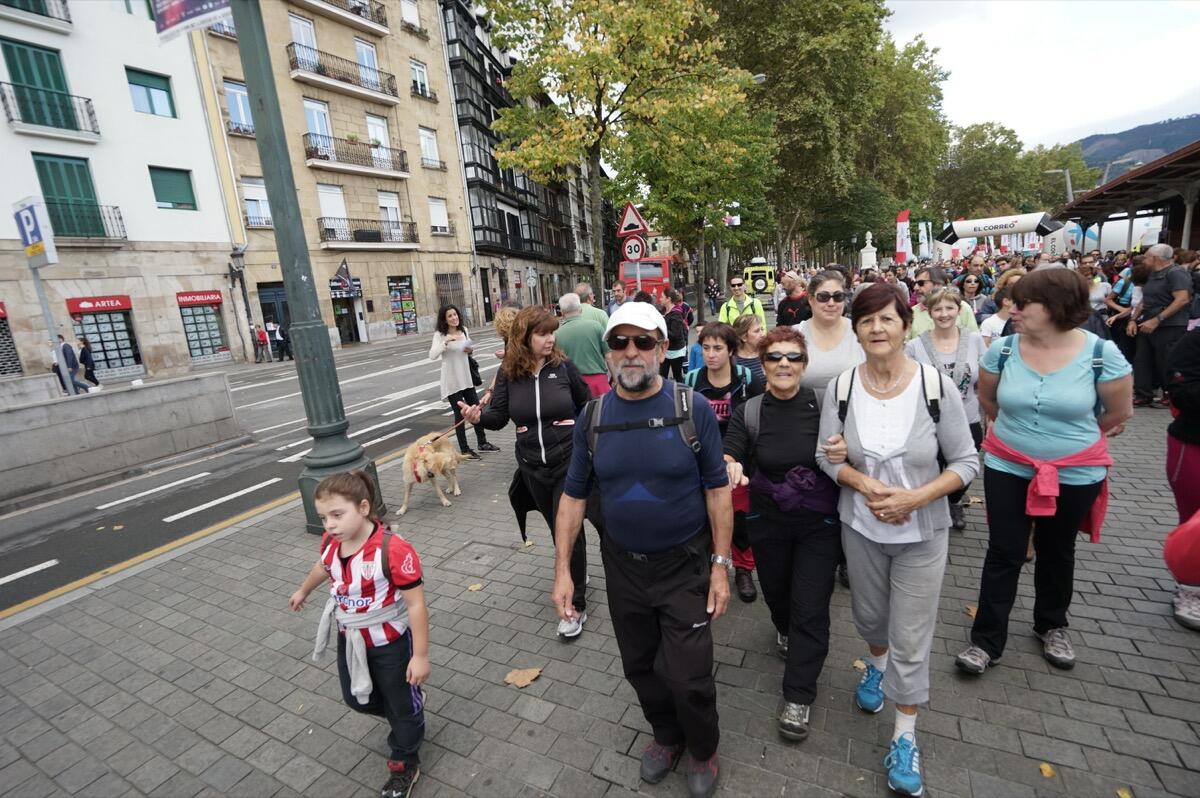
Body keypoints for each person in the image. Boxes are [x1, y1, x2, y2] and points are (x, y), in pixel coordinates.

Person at [553, 301, 731, 798]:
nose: (630, 351)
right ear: (607, 353)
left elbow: (718, 492)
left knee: (689, 675)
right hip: (623, 567)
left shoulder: (691, 408)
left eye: (643, 341)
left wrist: (721, 566)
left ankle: (702, 747)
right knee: (639, 664)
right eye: (619, 342)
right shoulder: (592, 417)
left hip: (685, 565)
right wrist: (563, 570)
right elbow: (572, 498)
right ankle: (666, 735)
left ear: (662, 347)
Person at [814, 283, 978, 798]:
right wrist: (860, 481)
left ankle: (904, 736)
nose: (877, 328)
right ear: (857, 331)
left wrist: (916, 497)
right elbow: (825, 457)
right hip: (860, 529)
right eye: (867, 320)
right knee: (870, 619)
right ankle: (876, 666)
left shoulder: (934, 387)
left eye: (887, 318)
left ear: (907, 326)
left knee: (911, 635)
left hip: (922, 535)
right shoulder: (843, 388)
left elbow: (966, 462)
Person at [956, 268, 1132, 676]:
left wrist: (1072, 440)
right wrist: (1022, 436)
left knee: (1057, 548)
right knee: (1004, 550)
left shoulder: (1101, 354)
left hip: (1076, 472)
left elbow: (1119, 412)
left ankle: (1051, 625)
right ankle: (986, 641)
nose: (1012, 310)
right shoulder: (1002, 350)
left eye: (1023, 303)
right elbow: (989, 401)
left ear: (1056, 307)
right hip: (1007, 464)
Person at [722, 327, 841, 741]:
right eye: (774, 357)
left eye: (793, 357)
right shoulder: (750, 410)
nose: (784, 364)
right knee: (777, 594)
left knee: (810, 605)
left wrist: (845, 451)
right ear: (763, 364)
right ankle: (784, 627)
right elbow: (731, 448)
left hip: (818, 523)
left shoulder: (824, 405)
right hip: (767, 519)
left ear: (804, 365)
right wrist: (731, 463)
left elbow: (849, 448)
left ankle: (798, 695)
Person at [289, 471, 429, 798]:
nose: (330, 525)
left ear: (363, 508)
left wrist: (420, 656)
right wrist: (303, 590)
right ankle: (409, 709)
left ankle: (404, 761)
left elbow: (416, 605)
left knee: (401, 710)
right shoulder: (331, 543)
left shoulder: (394, 550)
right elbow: (324, 566)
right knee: (357, 699)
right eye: (323, 518)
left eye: (337, 515)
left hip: (391, 643)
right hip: (351, 638)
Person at [460, 307, 596, 638]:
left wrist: (583, 439)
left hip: (568, 463)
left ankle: (575, 604)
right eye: (542, 333)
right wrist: (478, 418)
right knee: (556, 530)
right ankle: (575, 572)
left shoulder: (563, 367)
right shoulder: (509, 373)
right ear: (524, 337)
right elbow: (498, 418)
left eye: (552, 332)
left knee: (567, 531)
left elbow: (588, 406)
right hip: (532, 466)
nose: (550, 339)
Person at [686, 322, 764, 603]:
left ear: (731, 350)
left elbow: (759, 418)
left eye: (718, 348)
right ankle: (711, 567)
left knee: (740, 518)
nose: (711, 354)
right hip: (703, 461)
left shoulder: (747, 379)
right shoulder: (692, 380)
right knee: (706, 517)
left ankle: (744, 569)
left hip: (738, 462)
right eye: (706, 348)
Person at [904, 287, 986, 530]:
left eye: (949, 308)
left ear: (959, 310)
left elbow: (984, 380)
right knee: (933, 467)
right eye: (937, 309)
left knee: (965, 468)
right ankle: (932, 507)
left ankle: (954, 501)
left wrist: (990, 414)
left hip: (968, 418)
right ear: (929, 312)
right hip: (929, 421)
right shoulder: (915, 346)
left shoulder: (974, 340)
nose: (944, 314)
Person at [429, 305, 498, 460]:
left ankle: (482, 442)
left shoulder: (464, 330)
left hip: (466, 378)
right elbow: (432, 355)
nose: (454, 318)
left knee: (476, 409)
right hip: (452, 380)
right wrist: (445, 342)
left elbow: (468, 350)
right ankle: (465, 449)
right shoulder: (440, 335)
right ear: (444, 319)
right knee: (460, 415)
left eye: (455, 314)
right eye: (450, 316)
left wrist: (470, 350)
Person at [1129, 243, 1193, 407]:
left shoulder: (1176, 273)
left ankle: (1170, 393)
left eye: (1146, 257)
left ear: (1155, 258)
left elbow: (1182, 299)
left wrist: (1158, 319)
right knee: (1142, 359)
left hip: (1170, 325)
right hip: (1148, 322)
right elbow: (1145, 300)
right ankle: (1143, 394)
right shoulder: (1152, 274)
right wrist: (1133, 319)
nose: (1144, 261)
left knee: (1166, 360)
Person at [1166, 325, 1200, 629]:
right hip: (1193, 442)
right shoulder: (1194, 341)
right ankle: (1190, 588)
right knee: (1193, 522)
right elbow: (1180, 386)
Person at [794, 270, 865, 406]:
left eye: (838, 297)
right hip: (803, 415)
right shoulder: (794, 335)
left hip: (853, 414)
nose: (831, 303)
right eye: (823, 297)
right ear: (810, 299)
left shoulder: (862, 333)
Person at [556, 293, 610, 397]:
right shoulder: (596, 326)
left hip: (572, 386)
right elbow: (609, 356)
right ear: (580, 309)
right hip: (598, 383)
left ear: (562, 313)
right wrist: (616, 379)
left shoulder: (556, 334)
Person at [907, 266, 978, 340]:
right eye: (914, 283)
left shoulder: (962, 306)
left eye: (921, 283)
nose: (915, 288)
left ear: (938, 284)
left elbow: (974, 340)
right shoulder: (912, 313)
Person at [661, 289, 689, 381]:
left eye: (662, 297)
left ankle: (681, 390)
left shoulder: (676, 313)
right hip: (665, 349)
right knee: (662, 376)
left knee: (677, 376)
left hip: (676, 350)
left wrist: (660, 330)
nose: (660, 299)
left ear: (668, 299)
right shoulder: (663, 310)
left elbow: (674, 335)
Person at [732, 314, 766, 386]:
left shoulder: (767, 353)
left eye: (762, 329)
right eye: (757, 331)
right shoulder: (733, 361)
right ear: (744, 337)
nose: (762, 334)